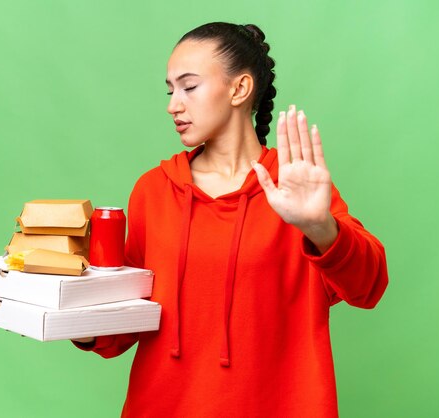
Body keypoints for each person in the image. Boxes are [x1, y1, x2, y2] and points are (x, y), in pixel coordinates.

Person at [73, 22, 388, 418]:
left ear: (239, 89)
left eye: (189, 87)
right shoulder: (153, 191)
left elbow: (369, 287)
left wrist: (319, 227)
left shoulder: (293, 186)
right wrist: (67, 315)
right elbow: (127, 321)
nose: (173, 104)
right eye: (170, 90)